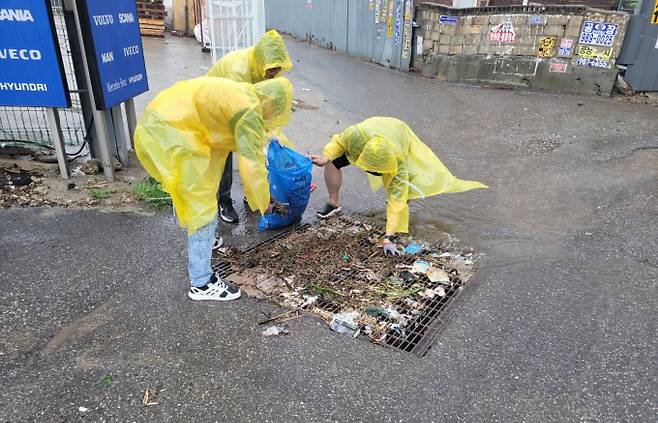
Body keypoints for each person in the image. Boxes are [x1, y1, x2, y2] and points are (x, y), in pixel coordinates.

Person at [134, 76, 293, 300]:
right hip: (171, 133)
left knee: (203, 196)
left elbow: (262, 141)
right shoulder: (249, 113)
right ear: (271, 104)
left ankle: (204, 240)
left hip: (169, 123)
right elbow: (251, 168)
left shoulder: (247, 96)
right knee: (202, 209)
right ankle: (201, 283)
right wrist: (264, 204)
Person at [310, 117, 488, 255]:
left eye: (381, 172)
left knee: (401, 193)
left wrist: (388, 238)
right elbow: (339, 143)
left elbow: (396, 200)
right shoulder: (355, 137)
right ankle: (333, 203)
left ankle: (397, 229)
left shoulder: (399, 162)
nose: (377, 175)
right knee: (333, 162)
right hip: (372, 130)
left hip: (398, 130)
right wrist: (327, 156)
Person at [206, 30, 293, 224]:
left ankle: (252, 194)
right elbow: (238, 112)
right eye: (272, 70)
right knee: (225, 152)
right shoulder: (237, 71)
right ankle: (223, 200)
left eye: (277, 70)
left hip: (240, 104)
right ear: (262, 61)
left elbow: (261, 103)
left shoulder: (263, 67)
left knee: (257, 146)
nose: (274, 74)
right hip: (217, 107)